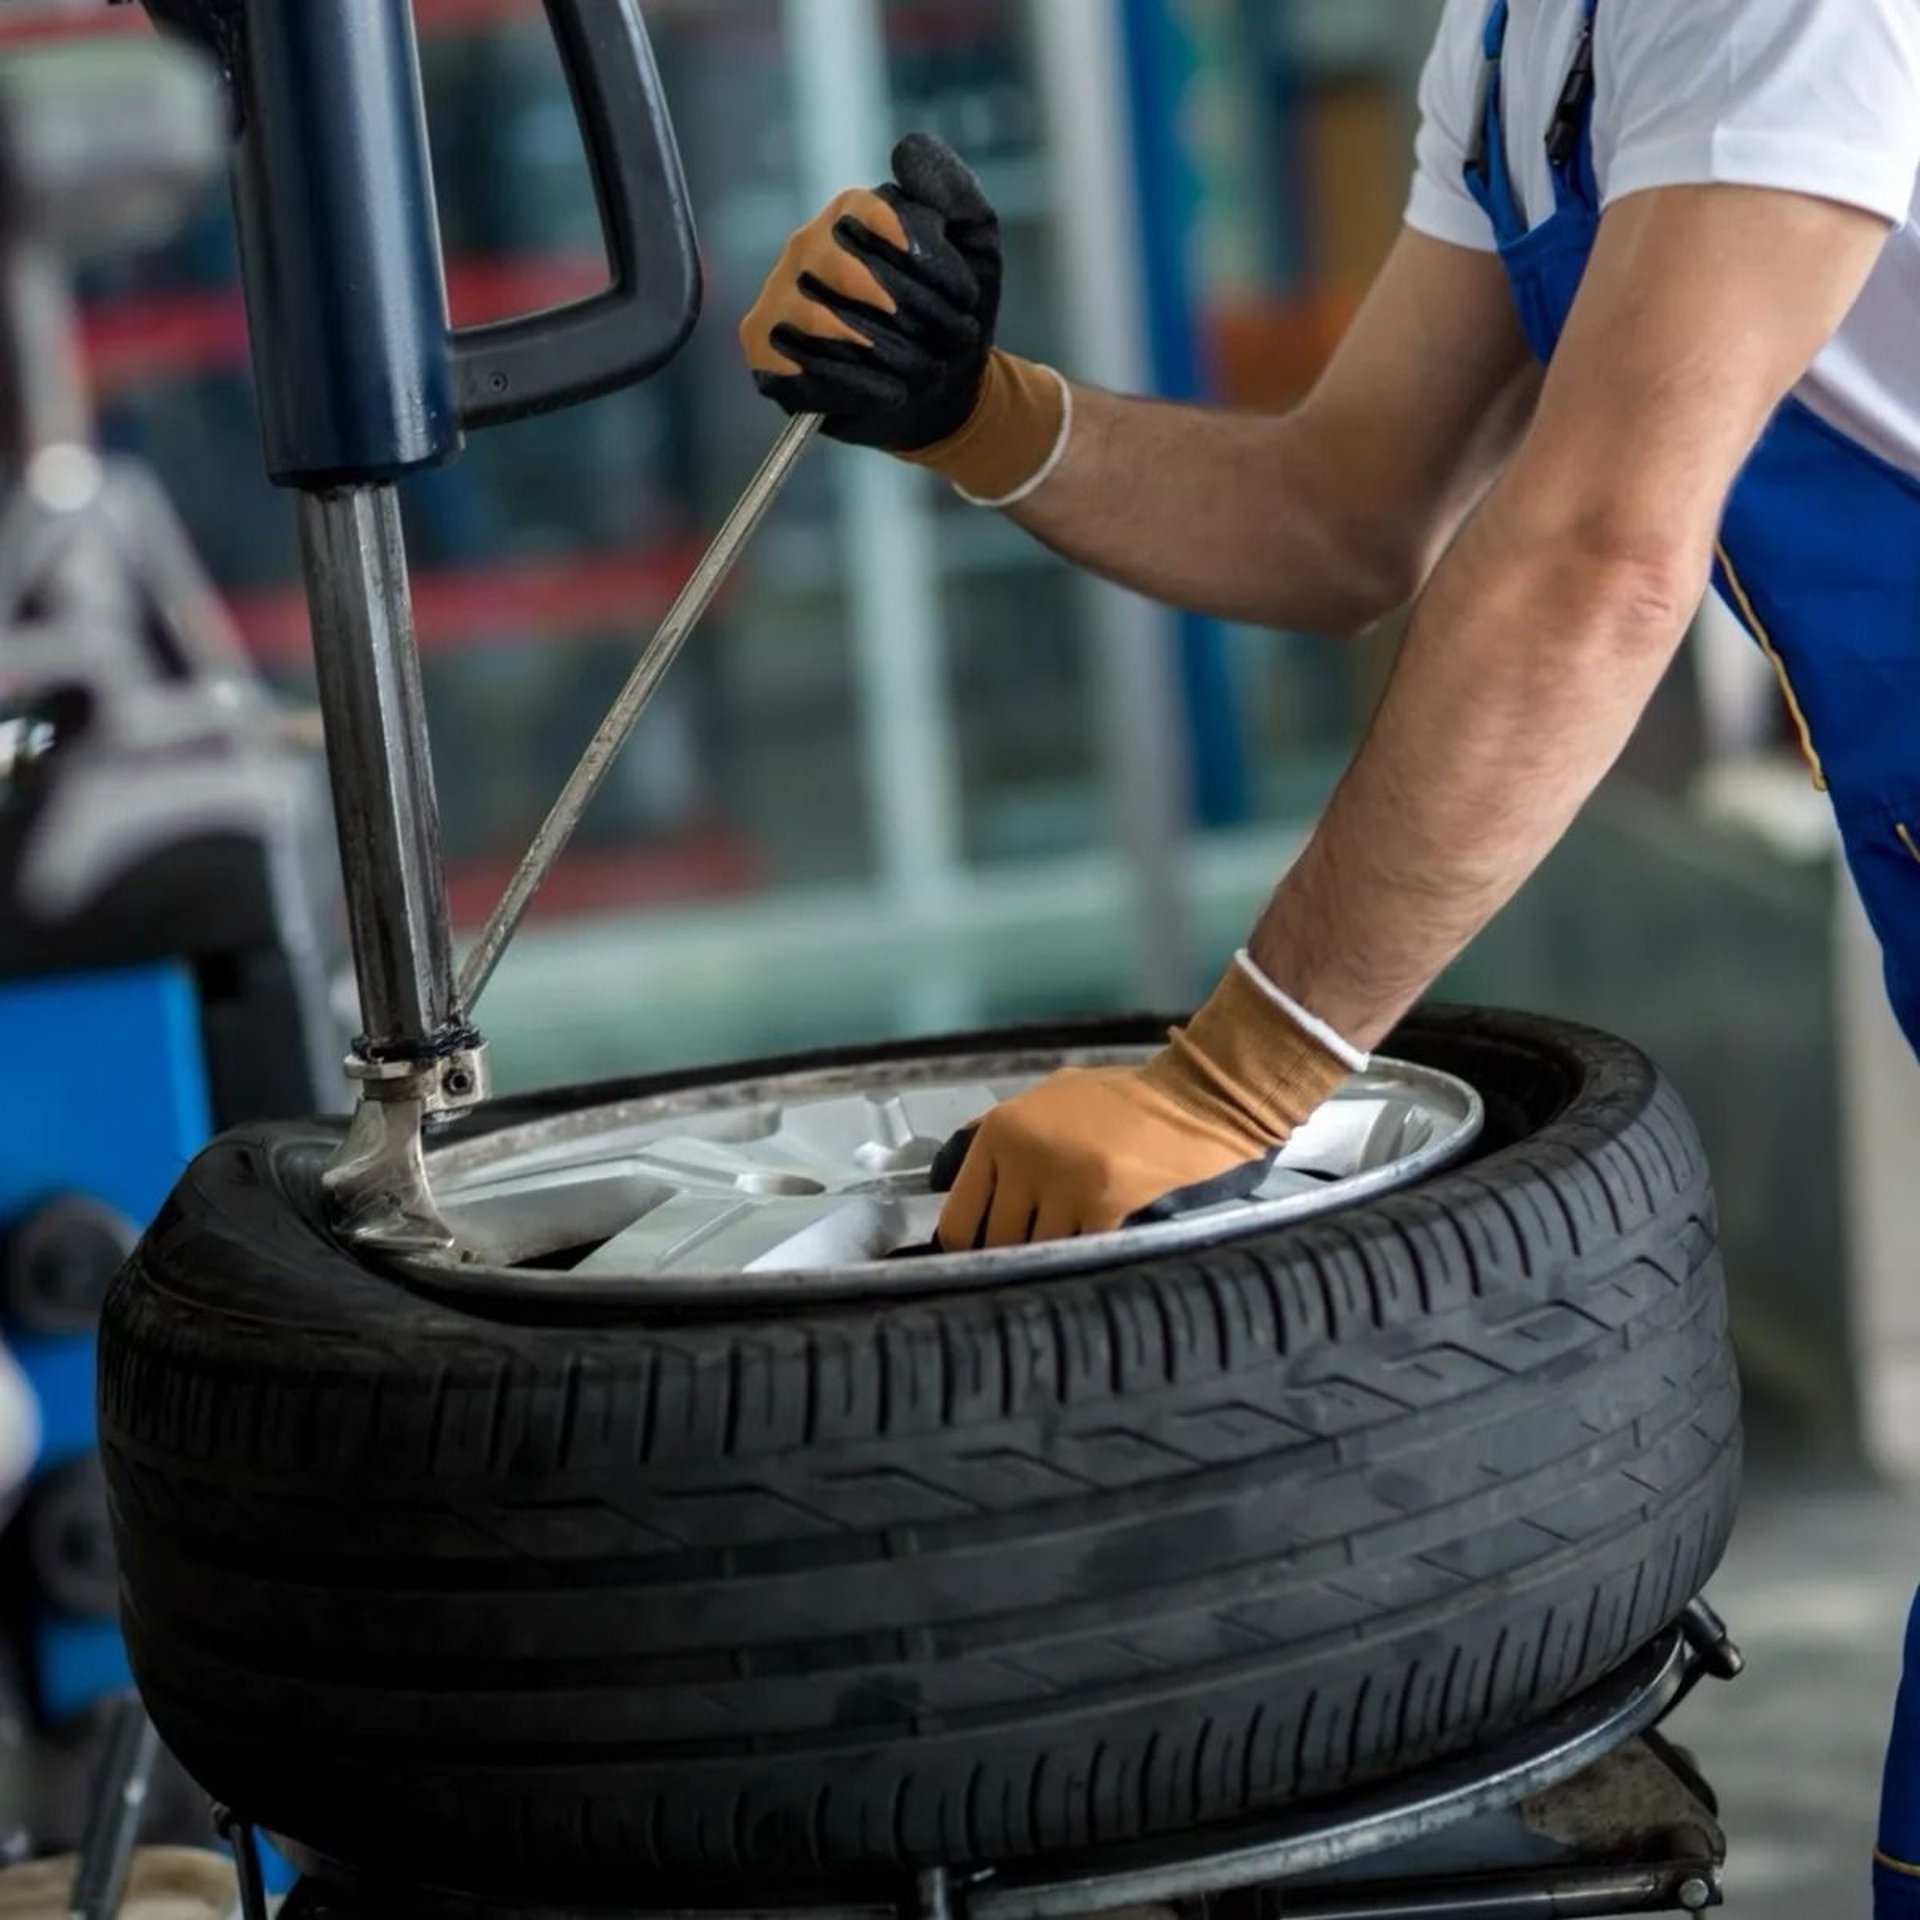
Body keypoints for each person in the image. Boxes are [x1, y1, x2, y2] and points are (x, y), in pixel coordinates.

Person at [740, 4, 1920, 1907]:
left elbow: (1604, 551)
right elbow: (1346, 511)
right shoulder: (1523, 42)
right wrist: (977, 408)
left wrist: (1238, 1076)